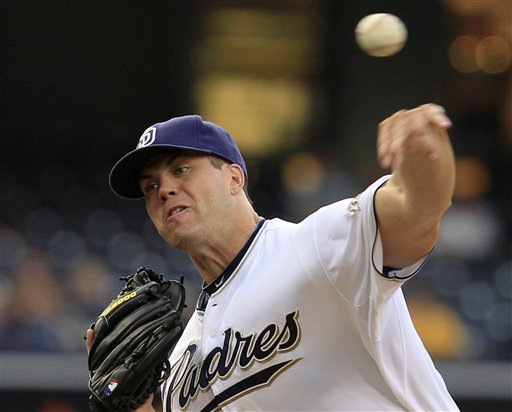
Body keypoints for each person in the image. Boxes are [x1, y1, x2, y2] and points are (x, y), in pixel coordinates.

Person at [86, 104, 459, 411]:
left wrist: (425, 155)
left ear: (234, 178)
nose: (164, 189)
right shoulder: (181, 367)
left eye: (180, 169)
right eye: (150, 186)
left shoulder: (318, 246)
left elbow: (417, 210)